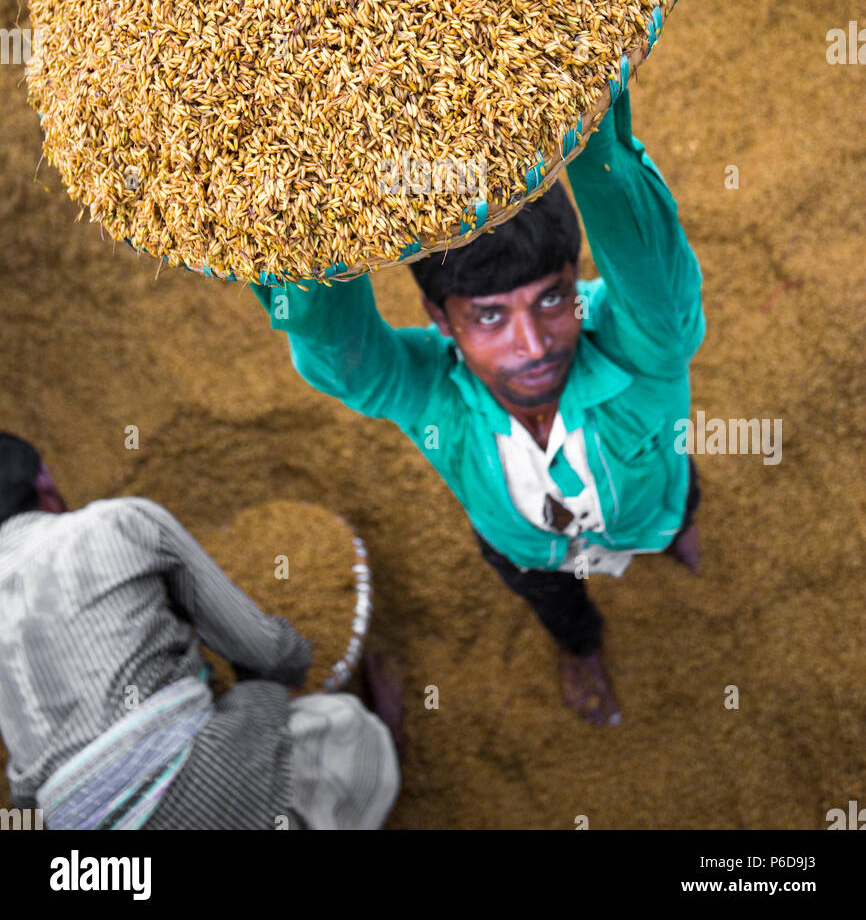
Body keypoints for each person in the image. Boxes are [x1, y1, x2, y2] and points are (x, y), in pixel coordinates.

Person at [252, 87, 705, 727]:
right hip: (525, 548)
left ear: (576, 284)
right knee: (557, 604)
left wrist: (593, 139)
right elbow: (341, 357)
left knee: (681, 507)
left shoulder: (644, 349)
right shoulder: (430, 392)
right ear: (440, 318)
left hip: (657, 497)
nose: (533, 344)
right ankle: (582, 649)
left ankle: (672, 535)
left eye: (551, 299)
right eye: (490, 316)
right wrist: (309, 236)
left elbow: (653, 274)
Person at [0, 433, 399, 830]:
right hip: (191, 787)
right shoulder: (118, 522)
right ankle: (386, 748)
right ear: (44, 483)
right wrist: (290, 670)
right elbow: (264, 650)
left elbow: (25, 799)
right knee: (343, 727)